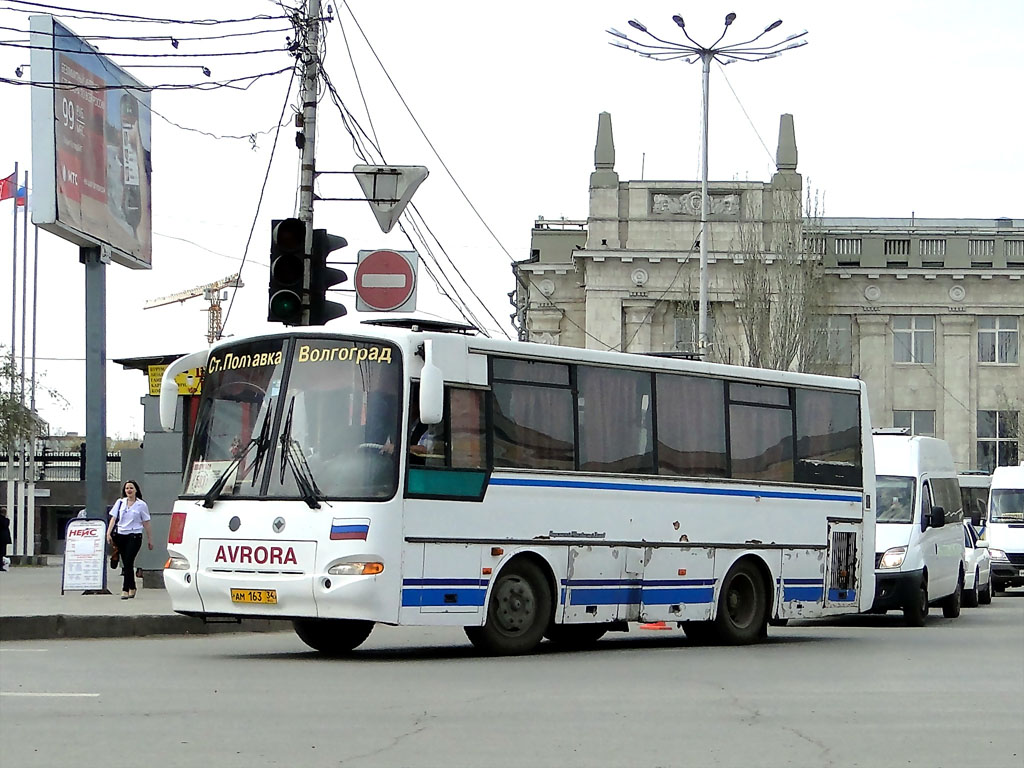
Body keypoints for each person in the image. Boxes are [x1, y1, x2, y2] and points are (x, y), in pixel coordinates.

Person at [106, 480, 154, 599]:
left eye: (131, 488)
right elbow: (113, 518)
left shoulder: (141, 505)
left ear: (136, 490)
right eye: (127, 488)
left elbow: (146, 522)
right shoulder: (120, 502)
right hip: (121, 535)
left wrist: (150, 539)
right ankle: (132, 586)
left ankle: (125, 589)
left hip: (134, 535)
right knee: (127, 563)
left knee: (128, 560)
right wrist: (108, 533)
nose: (129, 490)